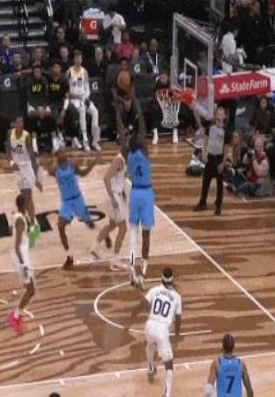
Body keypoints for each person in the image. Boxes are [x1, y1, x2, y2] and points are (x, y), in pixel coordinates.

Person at [131, 267, 181, 397]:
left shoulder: (154, 290)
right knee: (169, 364)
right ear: (172, 279)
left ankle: (150, 367)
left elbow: (142, 304)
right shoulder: (177, 297)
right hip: (162, 329)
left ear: (161, 278)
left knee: (150, 345)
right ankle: (167, 393)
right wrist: (176, 336)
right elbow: (178, 319)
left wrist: (134, 312)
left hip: (149, 325)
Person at [91, 104, 128, 271]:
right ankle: (115, 260)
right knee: (123, 228)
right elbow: (106, 178)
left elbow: (119, 180)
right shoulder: (119, 159)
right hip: (113, 195)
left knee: (113, 224)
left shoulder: (125, 159)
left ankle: (95, 247)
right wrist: (114, 198)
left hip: (116, 194)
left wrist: (123, 193)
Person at [47, 149, 96, 269]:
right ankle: (69, 256)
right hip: (66, 202)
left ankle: (104, 237)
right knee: (60, 226)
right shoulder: (55, 169)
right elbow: (48, 171)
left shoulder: (72, 164)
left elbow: (83, 173)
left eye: (64, 152)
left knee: (91, 225)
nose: (65, 154)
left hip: (78, 199)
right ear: (57, 156)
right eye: (61, 153)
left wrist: (92, 164)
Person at [126, 101, 155, 287]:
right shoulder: (143, 151)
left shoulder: (127, 153)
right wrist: (136, 102)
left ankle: (131, 268)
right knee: (145, 235)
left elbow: (123, 134)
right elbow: (143, 128)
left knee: (133, 234)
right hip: (145, 193)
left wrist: (118, 113)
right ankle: (143, 273)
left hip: (135, 192)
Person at [6, 116, 43, 246]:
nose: (21, 127)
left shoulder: (26, 137)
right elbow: (8, 149)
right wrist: (11, 163)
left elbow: (32, 158)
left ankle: (32, 226)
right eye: (19, 125)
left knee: (27, 197)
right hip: (17, 170)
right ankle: (32, 224)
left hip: (27, 168)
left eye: (22, 125)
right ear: (14, 124)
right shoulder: (10, 134)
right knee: (24, 199)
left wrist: (37, 178)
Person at [194, 107, 230, 216]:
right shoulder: (211, 127)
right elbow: (205, 139)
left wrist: (223, 163)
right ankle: (202, 202)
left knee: (219, 184)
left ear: (224, 116)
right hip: (210, 157)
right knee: (205, 181)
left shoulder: (226, 131)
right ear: (215, 115)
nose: (219, 116)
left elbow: (226, 148)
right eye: (218, 114)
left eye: (221, 114)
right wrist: (204, 153)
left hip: (219, 158)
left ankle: (218, 206)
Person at [8, 193, 36, 332]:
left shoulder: (20, 216)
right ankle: (15, 315)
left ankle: (18, 313)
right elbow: (16, 245)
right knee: (31, 290)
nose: (30, 204)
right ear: (24, 204)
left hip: (23, 255)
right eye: (28, 202)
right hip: (21, 257)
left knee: (30, 288)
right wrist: (23, 264)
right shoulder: (19, 220)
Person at [65, 50, 100, 152]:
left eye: (79, 58)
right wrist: (76, 97)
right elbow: (66, 90)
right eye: (76, 58)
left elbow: (87, 89)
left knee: (95, 112)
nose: (78, 60)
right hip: (73, 99)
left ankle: (95, 140)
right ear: (74, 59)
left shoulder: (84, 72)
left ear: (82, 59)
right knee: (82, 111)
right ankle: (85, 140)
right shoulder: (69, 72)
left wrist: (85, 98)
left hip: (83, 98)